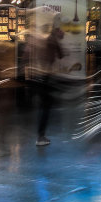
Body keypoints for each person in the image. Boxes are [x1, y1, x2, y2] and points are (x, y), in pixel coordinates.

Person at [35, 14, 64, 146]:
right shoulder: (52, 39)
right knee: (46, 106)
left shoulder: (42, 40)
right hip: (46, 76)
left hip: (40, 75)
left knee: (44, 105)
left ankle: (41, 134)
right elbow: (61, 54)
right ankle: (41, 137)